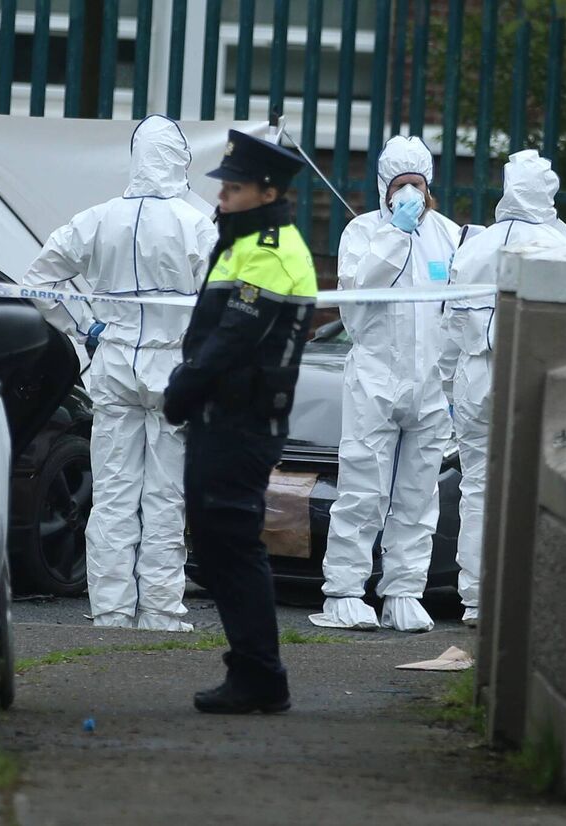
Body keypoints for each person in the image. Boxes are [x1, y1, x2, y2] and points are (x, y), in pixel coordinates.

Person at [25, 115, 216, 631]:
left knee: (112, 491)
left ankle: (110, 609)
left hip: (112, 364)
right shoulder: (197, 222)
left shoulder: (97, 219)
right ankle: (159, 609)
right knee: (165, 491)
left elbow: (40, 279)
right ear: (179, 159)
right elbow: (219, 304)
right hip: (171, 367)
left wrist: (85, 325)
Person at [163, 130, 315, 714]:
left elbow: (235, 337)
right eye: (223, 187)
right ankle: (253, 670)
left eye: (233, 187)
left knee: (229, 540)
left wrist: (183, 387)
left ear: (267, 190)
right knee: (217, 540)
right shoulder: (242, 242)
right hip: (221, 416)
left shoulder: (272, 249)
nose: (221, 197)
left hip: (243, 420)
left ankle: (260, 674)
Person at [309, 136, 460, 633]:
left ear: (429, 183)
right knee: (362, 488)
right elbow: (355, 302)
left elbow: (458, 310)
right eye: (400, 186)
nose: (409, 194)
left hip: (431, 385)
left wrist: (453, 381)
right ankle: (345, 590)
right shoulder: (363, 232)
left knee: (419, 495)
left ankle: (403, 589)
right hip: (375, 378)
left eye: (416, 184)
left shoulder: (448, 235)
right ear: (384, 188)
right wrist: (395, 234)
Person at [440, 150, 566, 627]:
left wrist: (446, 386)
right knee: (538, 484)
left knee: (477, 486)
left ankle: (476, 598)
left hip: (476, 378)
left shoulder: (476, 245)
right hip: (534, 377)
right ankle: (528, 594)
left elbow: (449, 326)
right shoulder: (559, 245)